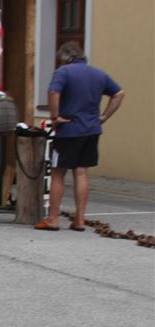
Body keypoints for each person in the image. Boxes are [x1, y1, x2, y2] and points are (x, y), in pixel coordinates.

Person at [34, 41, 125, 232]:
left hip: (68, 130)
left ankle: (53, 219)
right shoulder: (98, 74)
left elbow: (53, 91)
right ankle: (80, 219)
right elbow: (119, 93)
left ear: (65, 57)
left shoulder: (63, 72)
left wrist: (54, 116)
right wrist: (104, 117)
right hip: (91, 130)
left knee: (58, 172)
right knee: (81, 172)